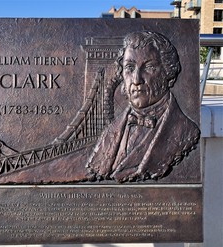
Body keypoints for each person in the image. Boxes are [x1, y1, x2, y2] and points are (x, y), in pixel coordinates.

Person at [86, 31, 200, 183]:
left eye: (149, 67)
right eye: (129, 68)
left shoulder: (186, 131)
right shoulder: (110, 132)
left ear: (168, 74)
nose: (136, 79)